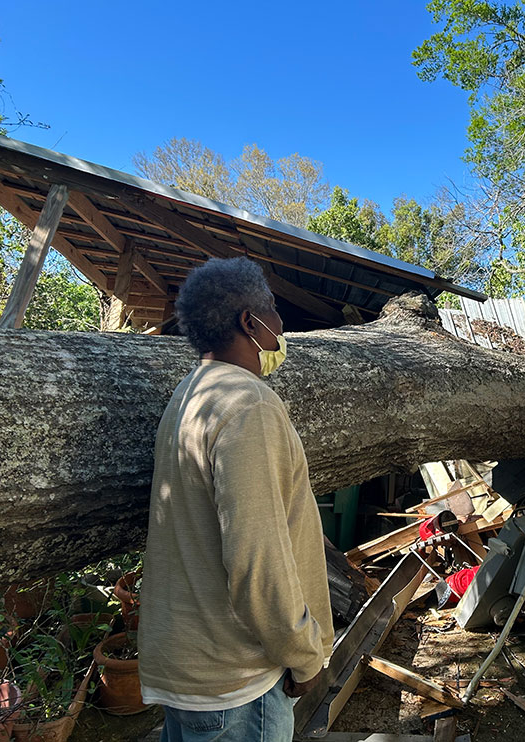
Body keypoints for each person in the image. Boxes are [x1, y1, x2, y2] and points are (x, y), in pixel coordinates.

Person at [138, 257, 333, 742]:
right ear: (251, 321)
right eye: (274, 311)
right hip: (237, 683)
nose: (281, 326)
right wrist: (303, 653)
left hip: (192, 667)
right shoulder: (249, 404)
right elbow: (257, 556)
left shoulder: (188, 396)